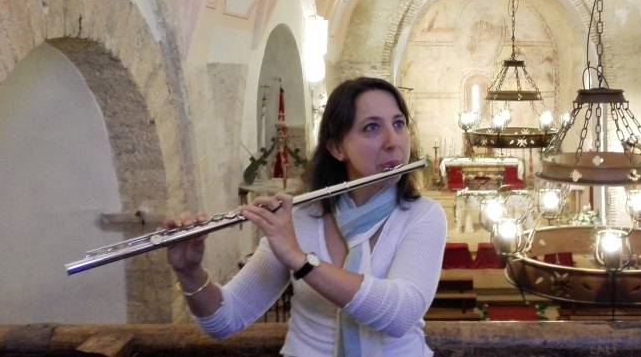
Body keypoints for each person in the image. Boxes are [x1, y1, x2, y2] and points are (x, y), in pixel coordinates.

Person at [166, 77, 447, 356]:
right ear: (337, 148)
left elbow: (400, 315)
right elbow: (225, 320)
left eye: (398, 124)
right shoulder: (301, 218)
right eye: (371, 127)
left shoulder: (423, 216)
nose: (393, 141)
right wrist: (190, 273)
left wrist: (300, 260)